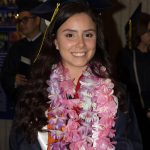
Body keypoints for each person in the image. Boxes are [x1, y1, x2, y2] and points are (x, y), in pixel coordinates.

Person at [9, 0, 143, 149]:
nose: (81, 44)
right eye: (70, 35)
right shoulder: (33, 96)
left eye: (88, 35)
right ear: (55, 41)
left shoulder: (116, 94)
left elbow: (134, 144)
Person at [118, 3, 150, 150]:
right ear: (139, 32)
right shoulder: (127, 57)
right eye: (148, 31)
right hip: (139, 114)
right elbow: (127, 88)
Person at [0, 0, 43, 108]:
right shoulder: (16, 47)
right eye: (19, 21)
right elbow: (5, 74)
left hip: (45, 106)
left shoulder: (49, 45)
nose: (22, 24)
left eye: (25, 20)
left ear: (37, 20)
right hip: (22, 106)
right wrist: (14, 81)